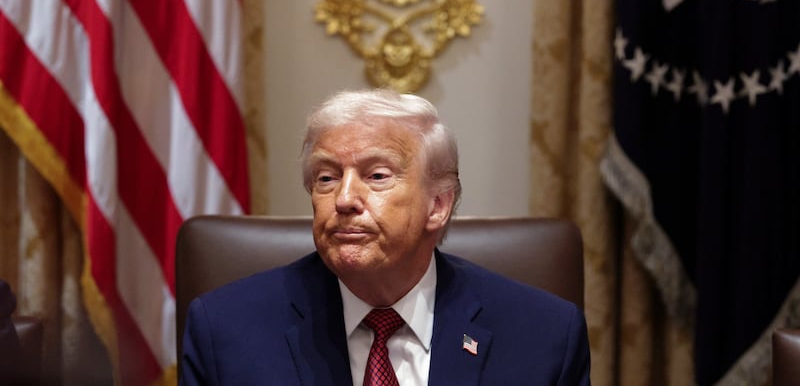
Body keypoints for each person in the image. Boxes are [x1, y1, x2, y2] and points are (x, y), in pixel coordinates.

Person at [180, 89, 591, 385]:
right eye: (326, 178)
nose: (343, 199)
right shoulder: (225, 331)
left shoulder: (543, 334)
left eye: (377, 176)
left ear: (438, 206)